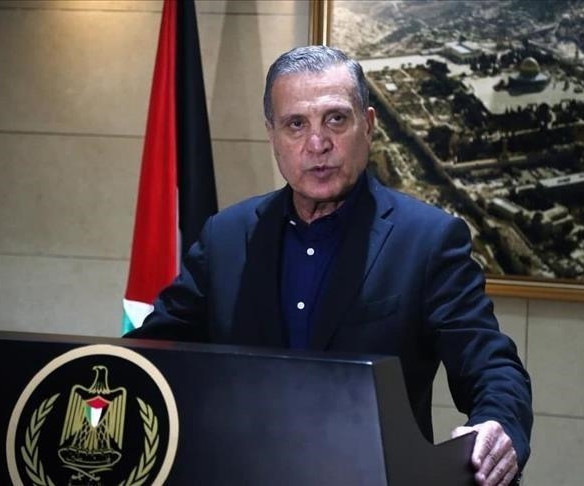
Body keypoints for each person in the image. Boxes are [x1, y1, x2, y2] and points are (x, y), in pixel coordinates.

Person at [126, 45, 532, 486]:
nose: (317, 144)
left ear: (368, 125)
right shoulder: (225, 236)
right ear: (272, 135)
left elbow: (490, 365)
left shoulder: (429, 240)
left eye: (335, 119)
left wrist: (498, 424)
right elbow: (151, 352)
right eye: (296, 124)